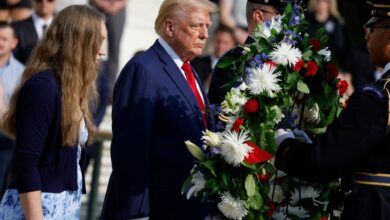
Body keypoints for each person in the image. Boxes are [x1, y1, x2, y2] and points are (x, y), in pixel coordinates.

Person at [100, 0, 217, 219]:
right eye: (196, 26)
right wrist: (137, 213)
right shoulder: (143, 69)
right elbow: (131, 150)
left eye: (207, 27)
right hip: (153, 208)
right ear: (169, 27)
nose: (204, 34)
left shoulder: (190, 72)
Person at [274, 1, 390, 219]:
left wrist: (285, 144)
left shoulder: (375, 98)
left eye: (374, 28)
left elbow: (323, 162)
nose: (366, 34)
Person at [0, 5, 106, 219]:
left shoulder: (71, 87)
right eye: (99, 40)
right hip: (36, 210)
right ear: (80, 41)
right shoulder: (43, 87)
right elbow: (26, 162)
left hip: (64, 207)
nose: (102, 51)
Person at [208, 0, 288, 105]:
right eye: (279, 17)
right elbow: (220, 114)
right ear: (259, 16)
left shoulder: (285, 58)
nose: (286, 24)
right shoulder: (234, 60)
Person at [0, 22, 24, 196]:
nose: (0, 43)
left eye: (4, 39)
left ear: (13, 43)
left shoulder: (21, 73)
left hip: (5, 141)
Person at [90, 0, 129, 96]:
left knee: (114, 51)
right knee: (91, 47)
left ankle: (109, 92)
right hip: (96, 7)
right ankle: (89, 85)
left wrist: (117, 5)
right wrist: (103, 4)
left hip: (118, 9)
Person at [191, 25, 236, 92]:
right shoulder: (198, 63)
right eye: (218, 41)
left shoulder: (238, 66)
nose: (221, 46)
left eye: (225, 43)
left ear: (233, 45)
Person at [12, 0, 57, 64]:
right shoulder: (17, 28)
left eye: (49, 0)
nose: (44, 2)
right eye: (39, 0)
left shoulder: (64, 26)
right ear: (31, 1)